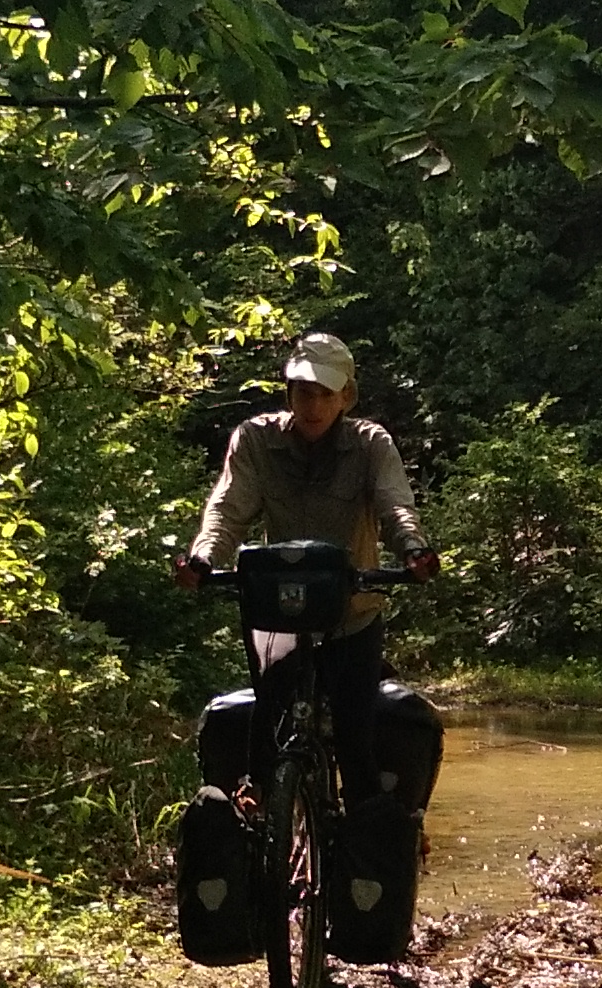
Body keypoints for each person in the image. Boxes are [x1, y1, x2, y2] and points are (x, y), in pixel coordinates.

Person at [175, 332, 437, 817]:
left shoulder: (369, 444)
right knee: (266, 728)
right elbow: (227, 510)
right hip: (279, 615)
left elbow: (394, 506)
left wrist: (414, 551)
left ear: (345, 397)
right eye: (302, 391)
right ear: (289, 393)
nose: (312, 404)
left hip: (351, 614)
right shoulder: (256, 439)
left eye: (323, 393)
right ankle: (261, 827)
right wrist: (203, 558)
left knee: (357, 744)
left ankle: (356, 848)